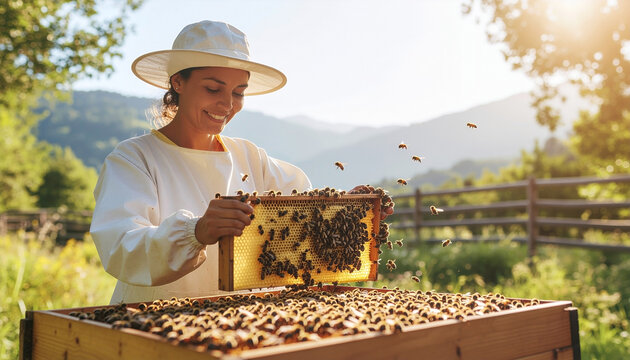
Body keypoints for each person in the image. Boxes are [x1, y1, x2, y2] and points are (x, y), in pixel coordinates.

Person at [90, 20, 393, 304]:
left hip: (245, 327)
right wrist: (196, 231)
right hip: (153, 325)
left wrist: (351, 212)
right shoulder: (134, 159)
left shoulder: (252, 158)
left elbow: (305, 221)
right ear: (178, 82)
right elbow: (120, 247)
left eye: (238, 93)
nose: (227, 104)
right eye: (213, 88)